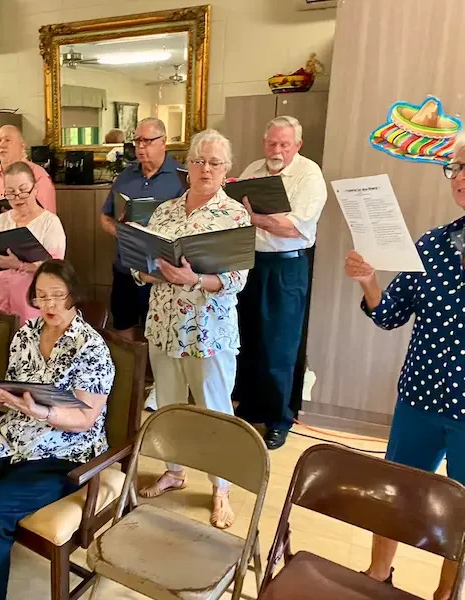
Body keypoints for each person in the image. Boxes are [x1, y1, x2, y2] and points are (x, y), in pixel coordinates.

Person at [0, 260, 115, 600]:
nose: (48, 305)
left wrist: (39, 411)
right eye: (41, 296)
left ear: (73, 296)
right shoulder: (26, 335)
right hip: (13, 438)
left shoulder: (90, 347)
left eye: (57, 296)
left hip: (63, 453)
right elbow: (16, 395)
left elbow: (86, 419)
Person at [346, 139, 465, 600]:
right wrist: (369, 281)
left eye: (464, 166)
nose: (457, 175)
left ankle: (446, 593)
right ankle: (377, 575)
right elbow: (389, 314)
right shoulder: (433, 244)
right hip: (419, 397)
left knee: (461, 512)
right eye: (453, 167)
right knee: (393, 493)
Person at [133, 130, 250, 530]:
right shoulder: (164, 210)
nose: (205, 168)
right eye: (199, 161)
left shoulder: (234, 215)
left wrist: (194, 279)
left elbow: (236, 280)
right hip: (163, 324)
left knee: (214, 410)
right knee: (167, 405)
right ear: (188, 166)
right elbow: (142, 262)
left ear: (226, 169)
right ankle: (174, 471)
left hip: (208, 330)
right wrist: (149, 271)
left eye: (214, 162)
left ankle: (221, 488)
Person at [232, 116, 327, 450]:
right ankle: (250, 408)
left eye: (284, 144)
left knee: (279, 346)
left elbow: (293, 227)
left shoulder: (309, 174)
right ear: (264, 142)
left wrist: (254, 218)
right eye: (272, 143)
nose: (277, 150)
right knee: (248, 340)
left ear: (297, 146)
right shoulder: (253, 169)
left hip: (286, 268)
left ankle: (278, 419)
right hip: (249, 264)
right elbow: (232, 211)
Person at [99, 117, 186, 411]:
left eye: (148, 141)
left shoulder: (180, 178)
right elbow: (105, 217)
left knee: (158, 329)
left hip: (160, 270)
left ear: (163, 142)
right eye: (137, 141)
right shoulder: (125, 176)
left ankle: (159, 386)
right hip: (126, 263)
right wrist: (120, 231)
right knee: (123, 324)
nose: (141, 147)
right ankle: (128, 379)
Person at [0, 161, 66, 324]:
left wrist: (19, 266)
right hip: (1, 302)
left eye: (23, 191)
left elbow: (55, 271)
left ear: (34, 189)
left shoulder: (50, 223)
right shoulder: (0, 221)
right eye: (11, 193)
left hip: (33, 306)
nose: (17, 197)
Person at [0, 125, 57, 295]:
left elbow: (45, 219)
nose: (2, 144)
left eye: (7, 140)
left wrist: (20, 264)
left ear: (21, 145)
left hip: (27, 266)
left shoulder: (39, 177)